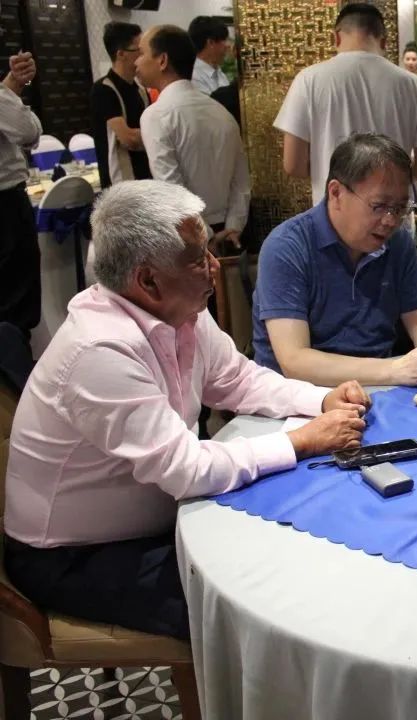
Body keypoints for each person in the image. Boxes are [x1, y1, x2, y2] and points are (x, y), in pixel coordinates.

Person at [3, 180, 370, 640]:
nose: (214, 266)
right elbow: (187, 468)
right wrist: (302, 441)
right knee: (257, 603)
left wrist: (319, 399)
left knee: (291, 541)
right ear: (147, 280)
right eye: (198, 258)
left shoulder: (182, 310)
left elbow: (237, 379)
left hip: (159, 513)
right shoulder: (98, 350)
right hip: (74, 553)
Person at [253, 133, 417, 387]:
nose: (391, 220)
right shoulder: (287, 246)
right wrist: (395, 369)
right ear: (336, 192)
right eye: (379, 206)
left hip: (378, 388)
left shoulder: (397, 242)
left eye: (400, 208)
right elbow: (294, 361)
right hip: (300, 396)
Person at [275, 3, 417, 205]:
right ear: (384, 41)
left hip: (334, 211)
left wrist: (329, 173)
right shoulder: (412, 85)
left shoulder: (308, 80)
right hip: (391, 214)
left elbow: (293, 165)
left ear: (335, 38)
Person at [137, 25, 250, 253]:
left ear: (162, 61)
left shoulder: (157, 115)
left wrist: (205, 236)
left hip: (188, 235)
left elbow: (171, 188)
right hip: (226, 233)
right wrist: (233, 227)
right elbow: (241, 181)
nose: (136, 62)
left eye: (141, 53)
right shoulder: (220, 111)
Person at [0, 52, 41, 341]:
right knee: (15, 306)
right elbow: (29, 131)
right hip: (6, 208)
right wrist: (10, 91)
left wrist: (13, 85)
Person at [91, 21, 151, 189]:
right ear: (121, 54)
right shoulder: (104, 89)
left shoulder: (141, 89)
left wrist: (147, 135)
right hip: (120, 184)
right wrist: (153, 137)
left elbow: (150, 130)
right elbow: (128, 138)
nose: (143, 56)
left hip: (146, 178)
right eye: (139, 50)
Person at [188, 16, 231, 95]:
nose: (228, 45)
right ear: (211, 43)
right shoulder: (194, 77)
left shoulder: (219, 72)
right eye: (225, 40)